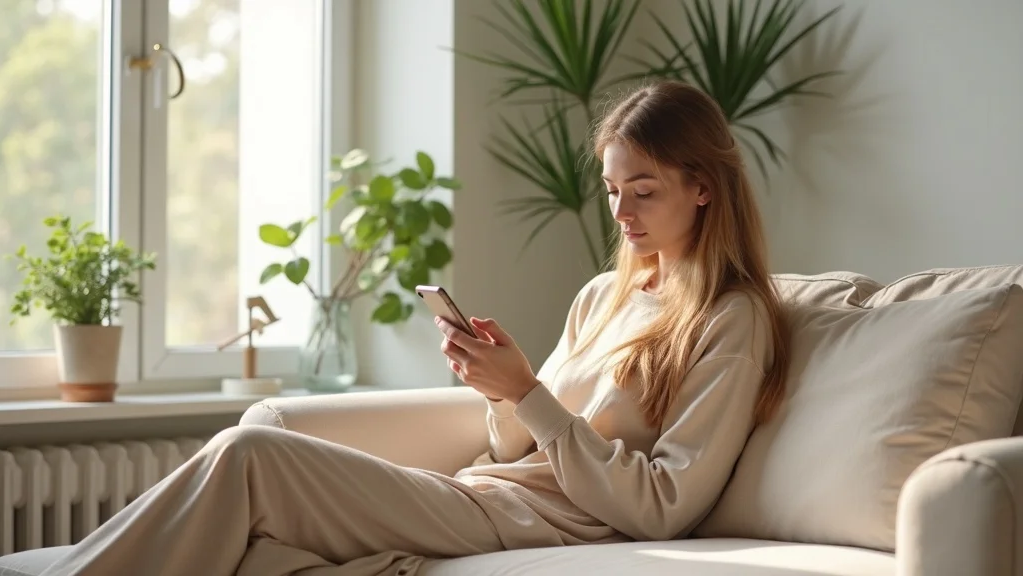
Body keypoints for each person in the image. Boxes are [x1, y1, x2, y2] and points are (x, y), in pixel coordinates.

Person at [40, 80, 789, 576]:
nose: (621, 214)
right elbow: (512, 445)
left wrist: (530, 393)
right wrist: (502, 389)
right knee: (261, 546)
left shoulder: (732, 319)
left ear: (702, 188)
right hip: (480, 491)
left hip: (538, 522)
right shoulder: (602, 296)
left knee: (251, 454)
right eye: (613, 191)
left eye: (644, 191)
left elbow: (665, 507)